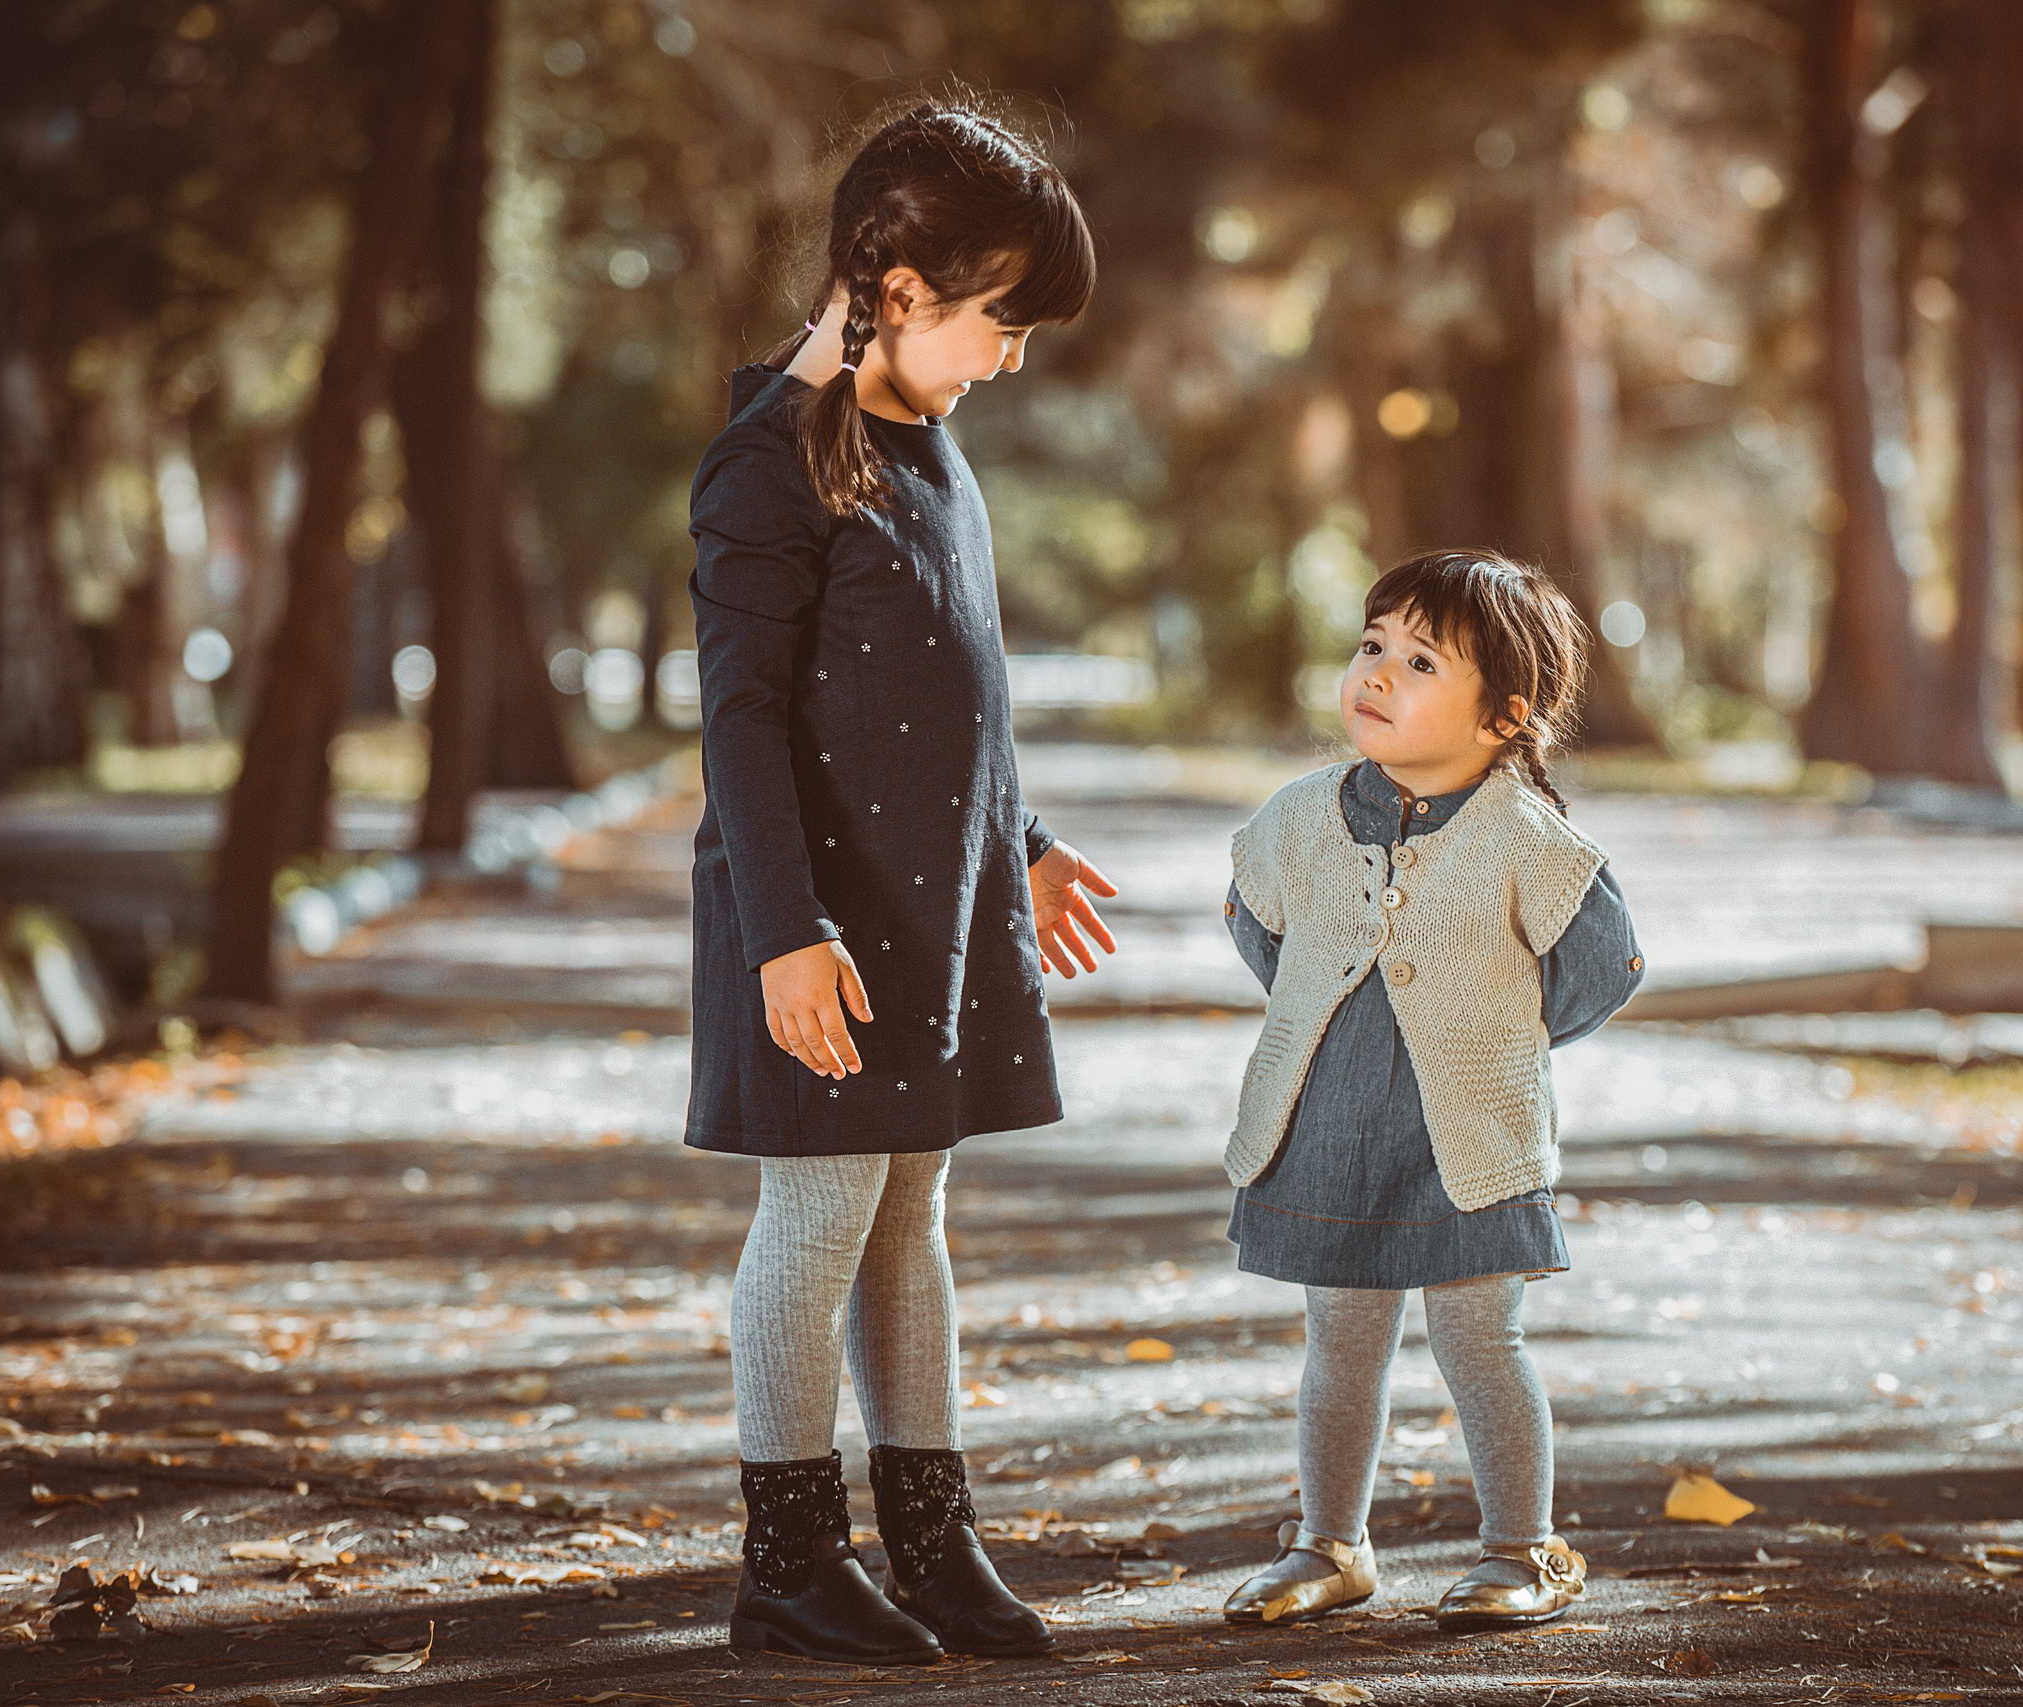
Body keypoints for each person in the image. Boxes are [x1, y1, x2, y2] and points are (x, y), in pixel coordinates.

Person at [685, 100, 1118, 1668]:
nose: (1012, 357)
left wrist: (1025, 838)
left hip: (928, 901)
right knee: (818, 1211)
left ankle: (932, 1543)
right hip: (818, 917)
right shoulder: (769, 461)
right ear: (903, 285)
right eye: (1004, 320)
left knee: (908, 1211)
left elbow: (956, 684)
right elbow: (738, 718)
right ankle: (788, 1558)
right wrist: (781, 934)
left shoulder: (930, 451)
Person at [1217, 551, 1645, 1631]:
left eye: (1418, 661)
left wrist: (1500, 1035)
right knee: (1340, 1345)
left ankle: (1521, 1550)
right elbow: (1256, 921)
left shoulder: (1526, 841)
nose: (1376, 673)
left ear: (1504, 716)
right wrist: (1329, 1013)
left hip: (1471, 1143)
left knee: (1479, 1341)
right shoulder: (1303, 815)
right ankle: (1329, 1544)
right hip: (1329, 1132)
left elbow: (1602, 968)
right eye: (1371, 647)